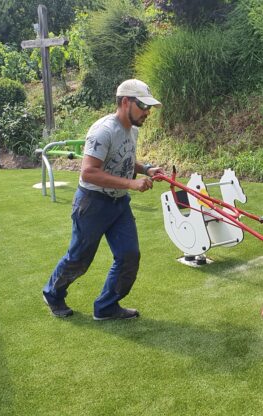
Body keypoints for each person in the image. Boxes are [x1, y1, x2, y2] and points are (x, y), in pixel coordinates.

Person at [42, 79, 164, 320]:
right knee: (79, 259)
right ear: (125, 102)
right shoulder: (103, 130)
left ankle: (106, 306)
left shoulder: (133, 129)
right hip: (92, 204)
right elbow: (89, 171)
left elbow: (124, 161)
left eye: (149, 107)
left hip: (119, 204)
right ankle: (52, 293)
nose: (147, 112)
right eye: (143, 105)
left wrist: (146, 169)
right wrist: (132, 183)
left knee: (129, 255)